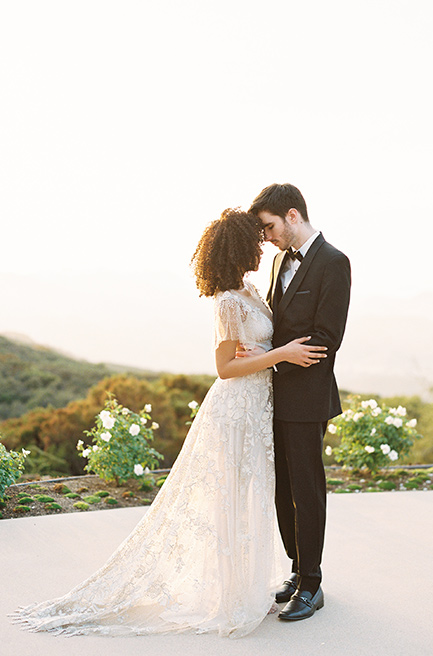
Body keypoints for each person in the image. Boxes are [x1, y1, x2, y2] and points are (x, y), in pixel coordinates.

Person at [11, 208, 325, 639]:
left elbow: (253, 348)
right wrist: (280, 354)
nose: (262, 246)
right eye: (254, 242)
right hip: (235, 409)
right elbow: (224, 368)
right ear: (237, 249)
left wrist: (266, 353)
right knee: (232, 495)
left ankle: (247, 584)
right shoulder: (228, 301)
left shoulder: (250, 289)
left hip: (259, 406)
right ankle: (230, 596)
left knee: (254, 493)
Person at [248, 184, 351, 622]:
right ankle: (296, 568)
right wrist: (264, 358)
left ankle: (313, 583)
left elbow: (326, 340)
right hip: (272, 397)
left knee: (306, 492)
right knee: (281, 491)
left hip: (308, 398)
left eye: (269, 227)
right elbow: (277, 329)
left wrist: (271, 362)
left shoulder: (334, 262)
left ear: (292, 216)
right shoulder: (276, 263)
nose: (267, 238)